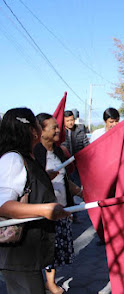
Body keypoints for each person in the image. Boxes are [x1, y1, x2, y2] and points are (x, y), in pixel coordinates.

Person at [0, 108, 70, 294]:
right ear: (32, 130)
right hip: (18, 255)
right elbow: (3, 206)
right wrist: (45, 209)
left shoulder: (26, 157)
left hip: (29, 255)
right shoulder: (13, 158)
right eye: (39, 124)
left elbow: (25, 186)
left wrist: (43, 177)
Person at [34, 113, 82, 294]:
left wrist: (80, 192)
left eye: (57, 126)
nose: (57, 129)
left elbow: (65, 179)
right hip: (43, 210)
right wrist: (45, 176)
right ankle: (46, 282)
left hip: (61, 208)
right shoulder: (35, 153)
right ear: (40, 130)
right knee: (45, 247)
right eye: (53, 127)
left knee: (56, 249)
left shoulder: (59, 151)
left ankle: (50, 281)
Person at [62, 110, 89, 186]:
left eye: (72, 120)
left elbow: (87, 146)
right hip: (65, 165)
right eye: (67, 121)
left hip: (78, 165)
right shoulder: (61, 134)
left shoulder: (80, 131)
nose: (70, 122)